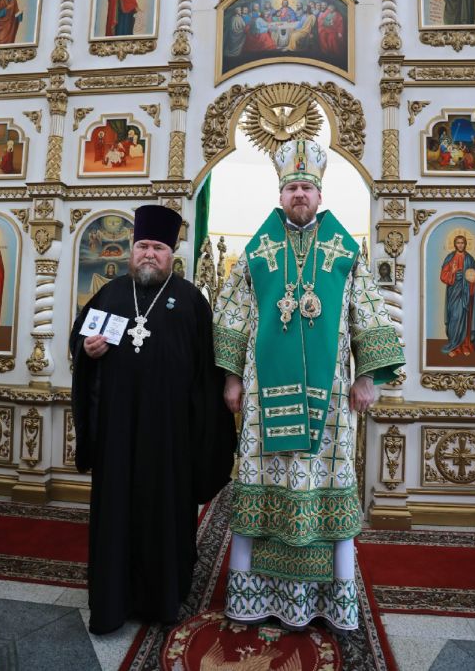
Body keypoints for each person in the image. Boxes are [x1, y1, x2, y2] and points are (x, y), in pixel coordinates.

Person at [213, 139, 405, 632]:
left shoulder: (345, 249)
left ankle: (328, 602)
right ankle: (253, 599)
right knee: (263, 488)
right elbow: (232, 315)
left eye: (306, 187)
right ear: (280, 193)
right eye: (292, 187)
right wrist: (231, 377)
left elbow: (368, 311)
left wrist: (366, 377)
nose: (299, 194)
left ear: (320, 194)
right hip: (262, 398)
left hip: (332, 399)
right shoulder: (257, 250)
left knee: (324, 488)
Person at [70, 204, 236, 635]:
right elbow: (80, 341)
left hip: (169, 436)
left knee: (166, 512)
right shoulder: (110, 295)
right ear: (132, 250)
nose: (148, 254)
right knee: (116, 513)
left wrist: (202, 432)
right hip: (118, 434)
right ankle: (112, 601)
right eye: (142, 245)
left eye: (158, 248)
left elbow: (208, 373)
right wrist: (86, 349)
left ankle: (164, 599)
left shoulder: (192, 301)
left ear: (171, 254)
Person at [440, 234, 475, 357]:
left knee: (466, 318)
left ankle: (465, 346)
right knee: (455, 317)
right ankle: (454, 346)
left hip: (466, 292)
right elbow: (443, 275)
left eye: (462, 243)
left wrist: (470, 279)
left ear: (465, 244)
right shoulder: (450, 258)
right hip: (454, 292)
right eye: (458, 243)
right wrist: (453, 274)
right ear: (455, 244)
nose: (460, 245)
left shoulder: (470, 259)